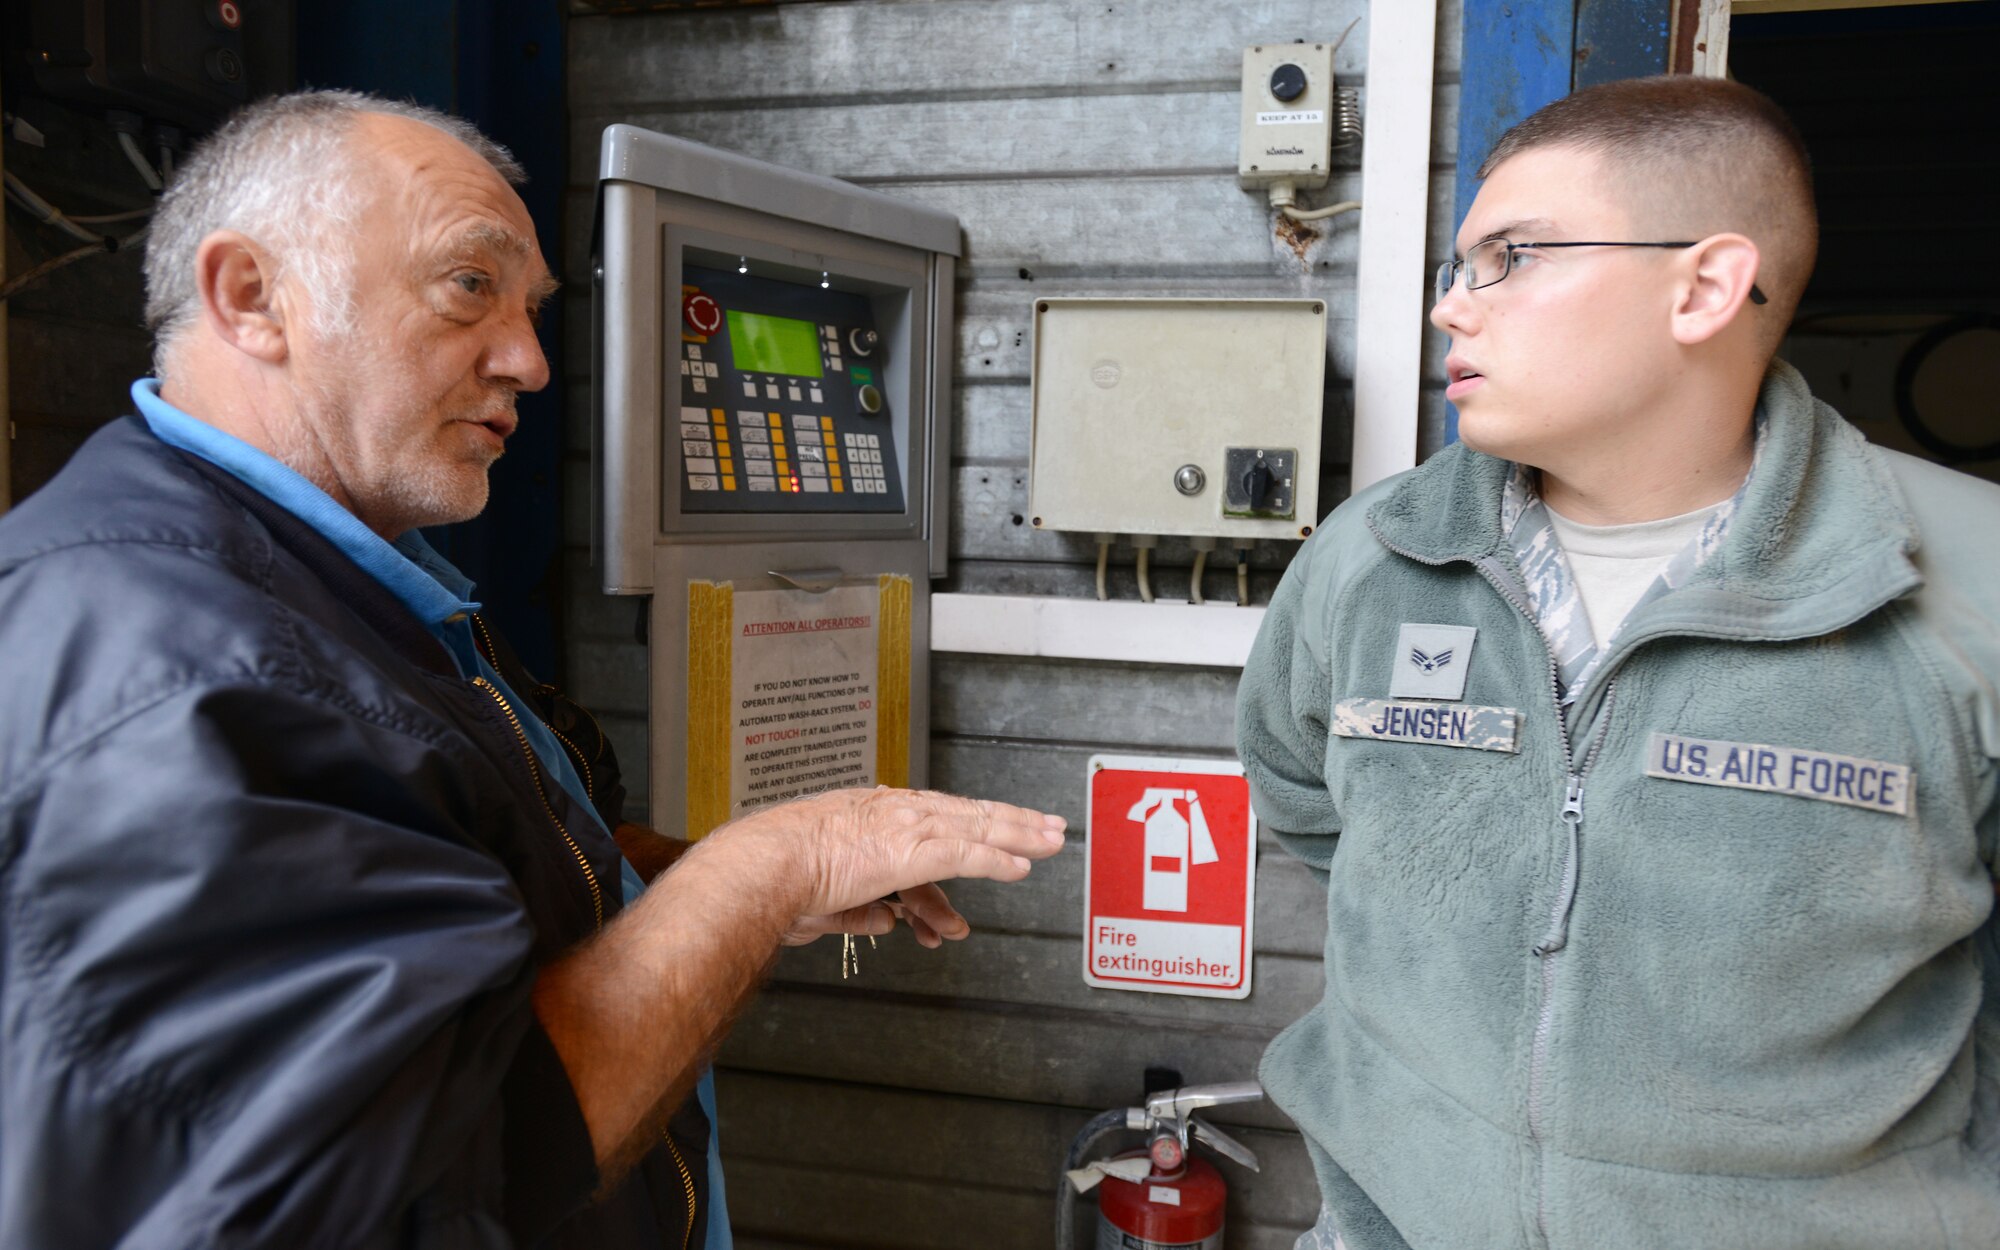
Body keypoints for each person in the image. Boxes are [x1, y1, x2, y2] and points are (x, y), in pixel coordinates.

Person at [0, 91, 1066, 1249]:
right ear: (253, 298)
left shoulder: (331, 582)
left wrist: (689, 876)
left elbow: (468, 879)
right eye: (469, 286)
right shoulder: (185, 672)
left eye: (530, 308)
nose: (528, 360)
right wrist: (769, 866)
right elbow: (455, 1170)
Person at [1237, 75, 2000, 1250]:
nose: (1452, 307)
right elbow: (1306, 800)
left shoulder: (1964, 586)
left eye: (1510, 256)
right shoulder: (1369, 557)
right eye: (1457, 265)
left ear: (1702, 285)